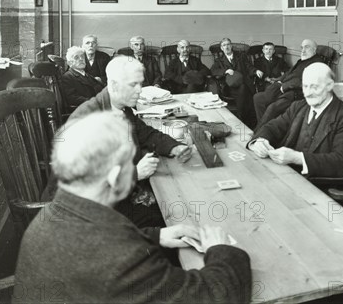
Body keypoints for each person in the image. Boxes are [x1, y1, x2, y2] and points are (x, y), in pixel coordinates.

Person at [13, 112, 252, 304]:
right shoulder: (122, 258)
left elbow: (105, 236)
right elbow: (218, 295)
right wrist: (220, 249)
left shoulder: (58, 211)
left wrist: (157, 236)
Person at [70, 56, 191, 227]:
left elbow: (146, 134)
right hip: (94, 212)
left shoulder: (121, 108)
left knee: (178, 205)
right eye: (133, 85)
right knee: (173, 216)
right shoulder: (87, 119)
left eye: (140, 84)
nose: (139, 90)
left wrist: (175, 147)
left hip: (122, 193)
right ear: (113, 85)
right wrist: (135, 173)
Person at [248, 63, 343, 178]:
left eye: (314, 87)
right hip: (284, 173)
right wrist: (260, 141)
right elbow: (273, 126)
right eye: (305, 86)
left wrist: (297, 158)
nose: (308, 93)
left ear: (330, 85)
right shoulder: (298, 106)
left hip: (316, 184)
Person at [253, 39, 324, 128]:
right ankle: (265, 127)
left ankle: (259, 132)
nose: (303, 50)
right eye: (302, 47)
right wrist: (278, 80)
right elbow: (289, 73)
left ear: (314, 50)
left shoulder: (317, 63)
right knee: (258, 98)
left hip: (295, 93)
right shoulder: (302, 60)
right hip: (284, 87)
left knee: (272, 108)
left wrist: (284, 86)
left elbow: (306, 82)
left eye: (307, 47)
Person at [210, 38, 257, 128]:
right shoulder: (219, 60)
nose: (226, 47)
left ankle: (242, 119)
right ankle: (245, 121)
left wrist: (256, 71)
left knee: (243, 89)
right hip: (229, 88)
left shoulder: (241, 56)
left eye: (228, 44)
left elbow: (249, 66)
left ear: (231, 46)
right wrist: (225, 70)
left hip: (244, 84)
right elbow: (213, 71)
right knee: (245, 92)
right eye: (224, 45)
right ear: (221, 48)